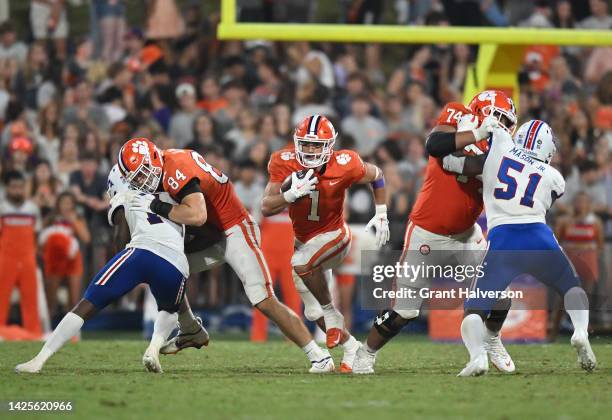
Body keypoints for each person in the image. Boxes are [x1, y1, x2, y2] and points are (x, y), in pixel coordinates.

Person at [118, 137, 334, 373]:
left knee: (263, 299)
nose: (143, 179)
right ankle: (190, 329)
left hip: (235, 229)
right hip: (211, 233)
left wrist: (156, 206)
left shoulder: (176, 168)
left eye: (144, 171)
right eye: (137, 176)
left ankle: (320, 356)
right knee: (165, 270)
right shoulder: (162, 169)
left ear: (156, 159)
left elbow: (197, 215)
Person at [352, 90, 517, 374]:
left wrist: (469, 164)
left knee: (501, 293)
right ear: (480, 111)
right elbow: (436, 145)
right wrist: (476, 134)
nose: (502, 124)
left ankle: (492, 340)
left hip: (467, 234)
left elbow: (473, 167)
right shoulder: (457, 114)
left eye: (507, 120)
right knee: (404, 312)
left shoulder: (502, 147)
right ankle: (366, 353)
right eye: (498, 116)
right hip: (427, 233)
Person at [15, 165, 191, 374]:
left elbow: (121, 234)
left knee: (87, 303)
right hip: (177, 262)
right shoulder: (170, 198)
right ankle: (153, 349)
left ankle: (39, 360)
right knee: (170, 309)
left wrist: (125, 269)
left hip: (142, 251)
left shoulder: (125, 195)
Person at [456, 120, 596, 376]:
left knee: (474, 309)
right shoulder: (555, 177)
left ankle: (478, 357)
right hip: (538, 236)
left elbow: (493, 135)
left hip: (503, 239)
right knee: (571, 287)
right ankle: (580, 331)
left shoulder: (500, 147)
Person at [261, 115, 390, 372]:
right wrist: (289, 195)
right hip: (304, 241)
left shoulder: (345, 163)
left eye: (316, 145)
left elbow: (377, 174)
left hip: (335, 237)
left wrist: (382, 212)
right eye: (306, 144)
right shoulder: (282, 161)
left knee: (301, 264)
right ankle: (352, 347)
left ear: (329, 145)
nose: (310, 150)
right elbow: (266, 206)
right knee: (311, 311)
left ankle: (332, 311)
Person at [0, 170, 42, 336]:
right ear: (7, 188)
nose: (17, 191)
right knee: (1, 296)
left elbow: (36, 234)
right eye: (13, 187)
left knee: (30, 298)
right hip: (6, 258)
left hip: (27, 258)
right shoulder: (2, 208)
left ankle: (33, 332)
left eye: (20, 187)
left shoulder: (32, 208)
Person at [39, 191, 90, 318]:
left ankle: (74, 333)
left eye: (69, 203)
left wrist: (74, 222)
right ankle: (48, 329)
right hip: (54, 261)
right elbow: (40, 239)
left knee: (74, 299)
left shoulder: (77, 217)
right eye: (64, 203)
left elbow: (86, 238)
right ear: (58, 204)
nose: (66, 206)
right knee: (51, 298)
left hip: (73, 260)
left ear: (73, 205)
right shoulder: (51, 218)